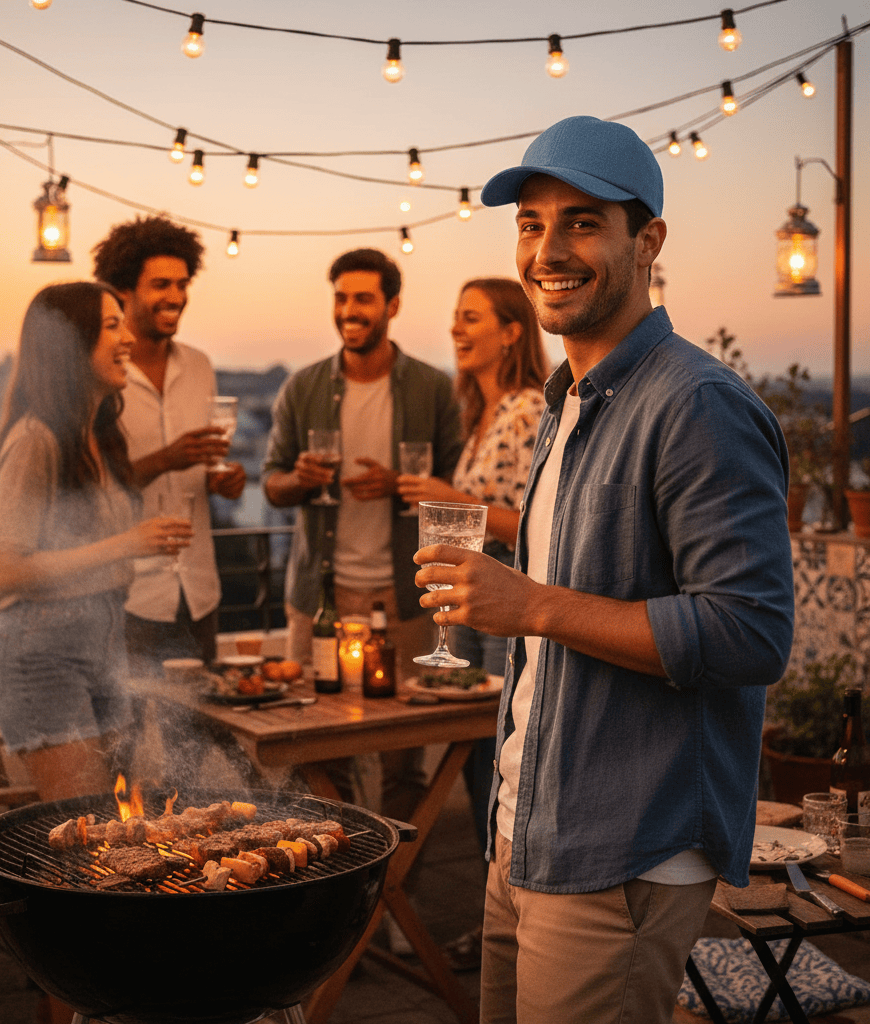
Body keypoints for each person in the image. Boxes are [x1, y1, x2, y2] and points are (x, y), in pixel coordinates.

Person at [414, 116, 795, 1023]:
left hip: (621, 852)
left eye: (582, 222)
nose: (548, 249)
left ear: (647, 241)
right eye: (531, 224)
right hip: (526, 832)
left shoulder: (696, 404)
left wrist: (532, 604)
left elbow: (751, 632)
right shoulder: (572, 399)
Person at [263, 247, 464, 819]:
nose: (349, 310)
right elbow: (271, 484)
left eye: (363, 299)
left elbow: (459, 488)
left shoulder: (433, 389)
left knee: (404, 762)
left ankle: (398, 893)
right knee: (316, 757)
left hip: (406, 603)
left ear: (391, 305)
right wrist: (298, 480)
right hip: (318, 605)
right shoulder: (302, 389)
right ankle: (336, 890)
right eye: (341, 298)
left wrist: (405, 483)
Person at [0, 282, 193, 802]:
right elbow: (8, 572)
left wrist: (139, 542)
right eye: (111, 326)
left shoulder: (99, 438)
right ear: (71, 345)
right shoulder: (36, 440)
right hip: (41, 658)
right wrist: (126, 544)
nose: (127, 339)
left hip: (105, 648)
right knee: (83, 841)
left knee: (112, 828)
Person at [397, 277, 548, 971]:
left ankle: (515, 937)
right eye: (453, 318)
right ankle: (499, 932)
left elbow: (535, 530)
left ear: (512, 330)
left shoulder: (523, 411)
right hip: (473, 612)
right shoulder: (485, 413)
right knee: (483, 775)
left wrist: (448, 500)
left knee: (500, 773)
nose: (457, 329)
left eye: (472, 318)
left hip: (503, 614)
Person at [92, 216, 245, 670]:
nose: (176, 297)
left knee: (204, 733)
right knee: (128, 734)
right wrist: (167, 458)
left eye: (182, 284)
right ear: (124, 291)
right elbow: (93, 487)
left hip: (199, 593)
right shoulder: (101, 375)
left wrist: (225, 480)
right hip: (127, 598)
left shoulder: (200, 366)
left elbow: (205, 465)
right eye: (161, 284)